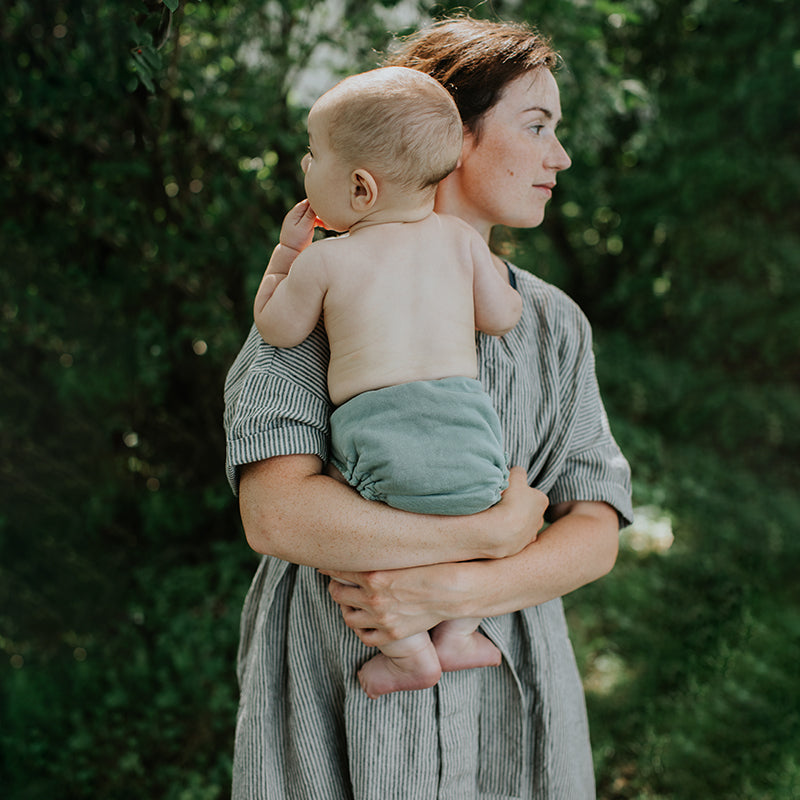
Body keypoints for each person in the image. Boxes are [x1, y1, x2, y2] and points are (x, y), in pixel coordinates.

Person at [224, 15, 633, 799]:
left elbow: (597, 528)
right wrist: (486, 532)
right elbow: (275, 516)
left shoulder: (554, 323)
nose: (561, 157)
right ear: (452, 134)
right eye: (537, 125)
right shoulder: (326, 294)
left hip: (510, 717)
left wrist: (463, 590)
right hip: (334, 706)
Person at [252, 66, 525, 699]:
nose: (303, 164)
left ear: (359, 187)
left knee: (366, 543)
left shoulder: (326, 259)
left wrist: (282, 260)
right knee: (470, 525)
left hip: (381, 436)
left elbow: (278, 329)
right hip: (468, 437)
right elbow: (503, 316)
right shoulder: (459, 242)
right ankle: (459, 633)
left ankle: (409, 655)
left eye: (312, 155)